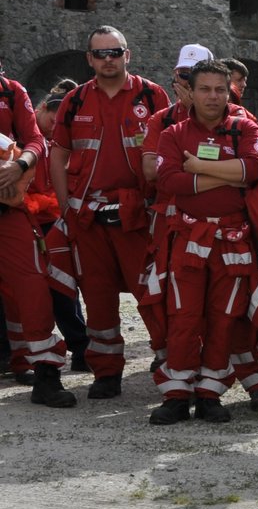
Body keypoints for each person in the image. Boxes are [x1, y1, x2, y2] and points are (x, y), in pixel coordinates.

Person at [50, 25, 170, 398]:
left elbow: (170, 150)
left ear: (127, 55)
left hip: (139, 215)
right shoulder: (74, 101)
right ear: (89, 59)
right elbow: (58, 153)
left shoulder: (151, 96)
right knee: (98, 298)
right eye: (100, 54)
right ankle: (106, 373)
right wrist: (65, 204)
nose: (107, 60)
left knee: (152, 294)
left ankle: (172, 364)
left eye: (114, 52)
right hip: (88, 217)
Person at [148, 60, 258, 423]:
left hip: (233, 241)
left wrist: (199, 167)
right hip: (187, 237)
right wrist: (229, 177)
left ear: (229, 90)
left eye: (220, 89)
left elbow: (255, 170)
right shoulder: (173, 134)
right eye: (205, 89)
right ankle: (177, 394)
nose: (213, 96)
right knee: (183, 315)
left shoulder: (244, 127)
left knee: (224, 316)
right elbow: (169, 181)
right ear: (190, 92)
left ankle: (211, 393)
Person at [0, 65, 75, 407]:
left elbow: (35, 141)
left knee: (30, 284)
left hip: (7, 205)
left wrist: (21, 165)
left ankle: (46, 372)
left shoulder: (11, 90)